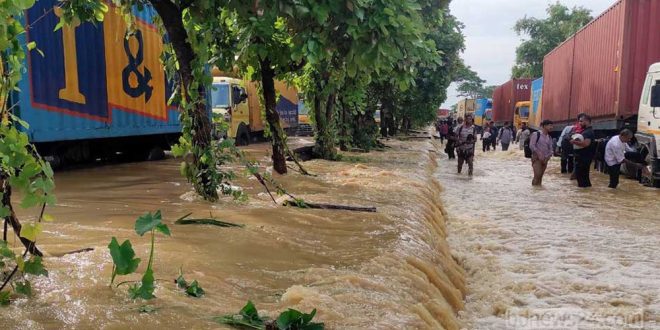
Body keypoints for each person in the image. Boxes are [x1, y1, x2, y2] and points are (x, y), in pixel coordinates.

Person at [571, 114, 596, 188]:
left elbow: (586, 144)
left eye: (581, 121)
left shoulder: (588, 132)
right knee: (584, 178)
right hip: (583, 158)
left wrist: (574, 142)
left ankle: (583, 194)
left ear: (587, 121)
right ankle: (585, 194)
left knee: (582, 179)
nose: (579, 123)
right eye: (579, 121)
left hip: (583, 159)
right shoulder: (586, 131)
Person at [529, 120, 554, 186]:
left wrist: (548, 157)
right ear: (544, 126)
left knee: (540, 177)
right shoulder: (536, 134)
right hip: (537, 159)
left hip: (545, 160)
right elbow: (532, 145)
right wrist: (539, 154)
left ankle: (538, 192)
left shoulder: (549, 137)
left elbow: (551, 149)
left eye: (552, 125)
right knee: (537, 176)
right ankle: (533, 191)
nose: (552, 127)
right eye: (550, 125)